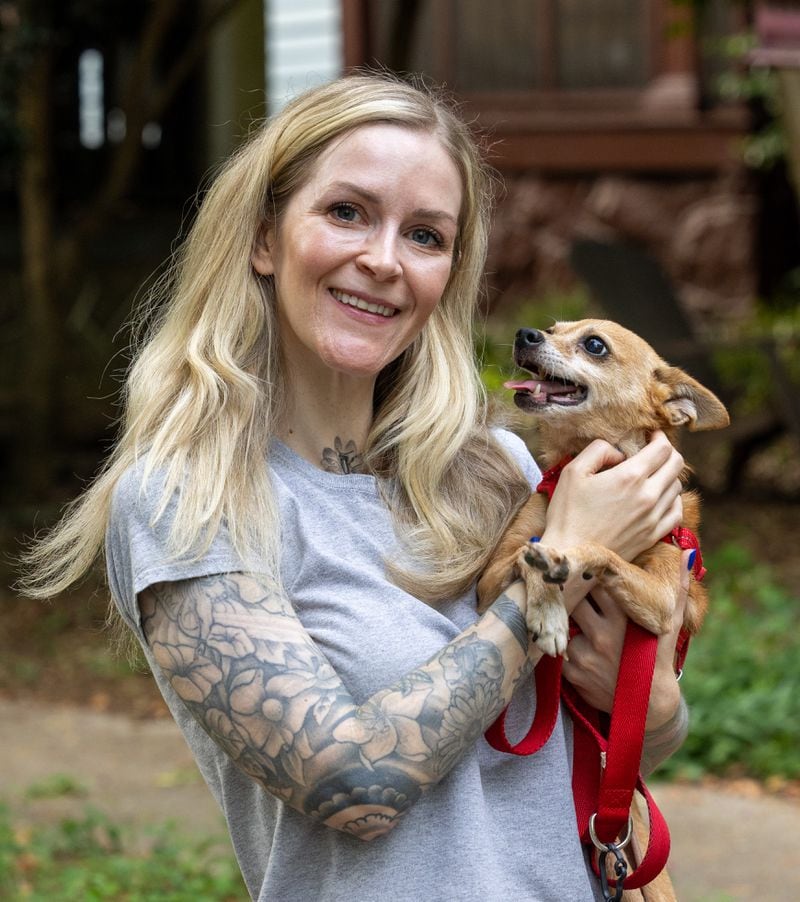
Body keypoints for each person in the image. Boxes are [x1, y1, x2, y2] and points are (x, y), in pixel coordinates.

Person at [23, 73, 691, 901]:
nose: (382, 261)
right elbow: (355, 786)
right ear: (265, 239)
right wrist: (561, 563)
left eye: (424, 235)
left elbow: (603, 751)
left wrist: (652, 706)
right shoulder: (188, 502)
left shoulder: (499, 470)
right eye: (347, 213)